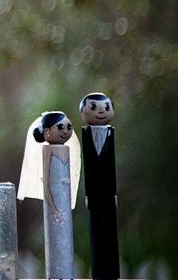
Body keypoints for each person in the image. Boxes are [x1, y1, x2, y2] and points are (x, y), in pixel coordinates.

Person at [80, 92, 120, 279]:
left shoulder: (110, 132)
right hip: (94, 194)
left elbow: (111, 165)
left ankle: (112, 272)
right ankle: (98, 272)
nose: (101, 111)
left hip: (109, 194)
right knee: (96, 232)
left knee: (111, 232)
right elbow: (88, 165)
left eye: (106, 107)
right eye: (94, 107)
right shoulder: (86, 134)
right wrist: (87, 194)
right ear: (85, 111)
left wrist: (114, 193)